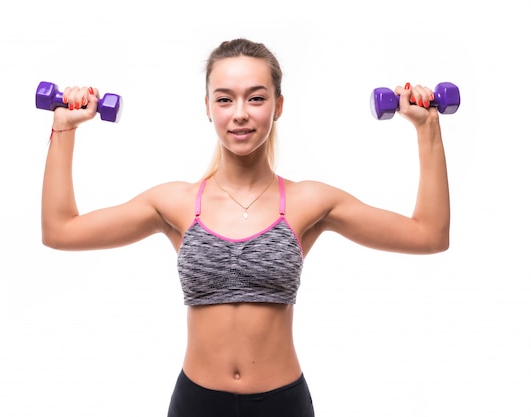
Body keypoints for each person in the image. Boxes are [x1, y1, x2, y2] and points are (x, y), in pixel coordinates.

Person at [41, 38, 450, 417]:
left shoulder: (311, 202)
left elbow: (428, 235)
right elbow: (60, 230)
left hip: (282, 403)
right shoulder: (175, 203)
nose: (240, 113)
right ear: (207, 106)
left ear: (278, 105)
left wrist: (427, 126)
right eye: (225, 99)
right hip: (196, 402)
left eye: (256, 98)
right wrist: (64, 127)